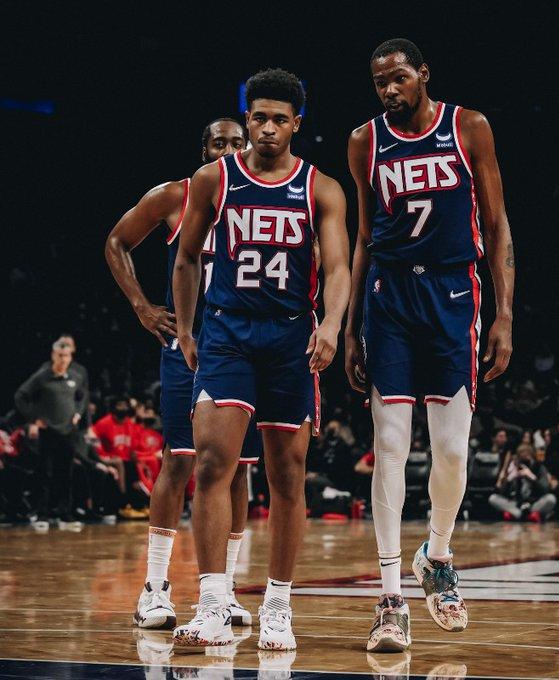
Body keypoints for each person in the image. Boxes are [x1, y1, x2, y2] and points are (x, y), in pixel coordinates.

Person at [345, 38, 514, 651]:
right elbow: (363, 237)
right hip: (389, 297)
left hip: (452, 295)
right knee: (390, 445)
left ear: (423, 74)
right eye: (379, 82)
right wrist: (349, 328)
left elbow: (496, 225)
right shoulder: (364, 140)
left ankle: (436, 556)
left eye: (398, 78)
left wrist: (504, 315)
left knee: (451, 452)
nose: (389, 90)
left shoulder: (469, 127)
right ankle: (391, 598)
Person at [172, 68, 350, 650]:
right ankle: (212, 603)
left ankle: (278, 605)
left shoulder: (321, 188)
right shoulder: (214, 178)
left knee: (287, 475)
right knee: (211, 465)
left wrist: (332, 324)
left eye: (279, 119)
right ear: (246, 120)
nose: (267, 128)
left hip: (291, 336)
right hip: (227, 332)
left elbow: (339, 268)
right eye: (258, 118)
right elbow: (187, 258)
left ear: (297, 123)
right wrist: (186, 328)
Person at [105, 118, 261, 629]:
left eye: (236, 143)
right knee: (178, 460)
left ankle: (225, 590)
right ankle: (155, 587)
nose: (228, 150)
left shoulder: (263, 200)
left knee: (238, 468)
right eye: (219, 143)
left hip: (244, 347)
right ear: (204, 150)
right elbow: (116, 241)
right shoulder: (176, 195)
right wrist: (142, 307)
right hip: (191, 346)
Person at [14, 340, 88, 527]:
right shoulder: (42, 376)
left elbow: (83, 396)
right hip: (48, 432)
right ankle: (42, 515)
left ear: (71, 357)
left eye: (66, 356)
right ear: (53, 356)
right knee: (45, 473)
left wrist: (78, 413)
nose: (63, 359)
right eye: (60, 355)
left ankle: (65, 514)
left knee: (66, 474)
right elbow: (21, 396)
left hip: (68, 432)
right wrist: (34, 418)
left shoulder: (75, 376)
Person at [488, 444, 555, 521]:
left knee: (551, 498)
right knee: (493, 498)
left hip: (533, 503)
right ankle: (522, 514)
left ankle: (519, 515)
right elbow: (502, 492)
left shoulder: (539, 467)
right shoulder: (514, 468)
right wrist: (510, 478)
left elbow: (545, 489)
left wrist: (532, 477)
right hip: (516, 504)